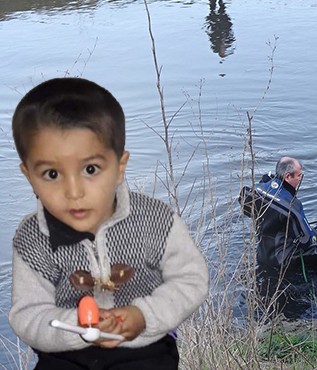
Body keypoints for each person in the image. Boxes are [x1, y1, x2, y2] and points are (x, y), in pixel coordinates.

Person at [9, 77, 209, 369]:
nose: (73, 192)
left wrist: (144, 315)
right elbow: (27, 314)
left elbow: (191, 280)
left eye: (91, 169)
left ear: (119, 167)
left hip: (144, 346)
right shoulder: (32, 238)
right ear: (29, 176)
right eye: (52, 174)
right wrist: (76, 326)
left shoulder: (156, 220)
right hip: (65, 351)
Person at [241, 156, 317, 274]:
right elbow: (306, 241)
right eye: (299, 175)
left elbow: (244, 201)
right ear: (287, 176)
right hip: (282, 261)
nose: (301, 178)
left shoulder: (257, 189)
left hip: (262, 256)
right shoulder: (292, 205)